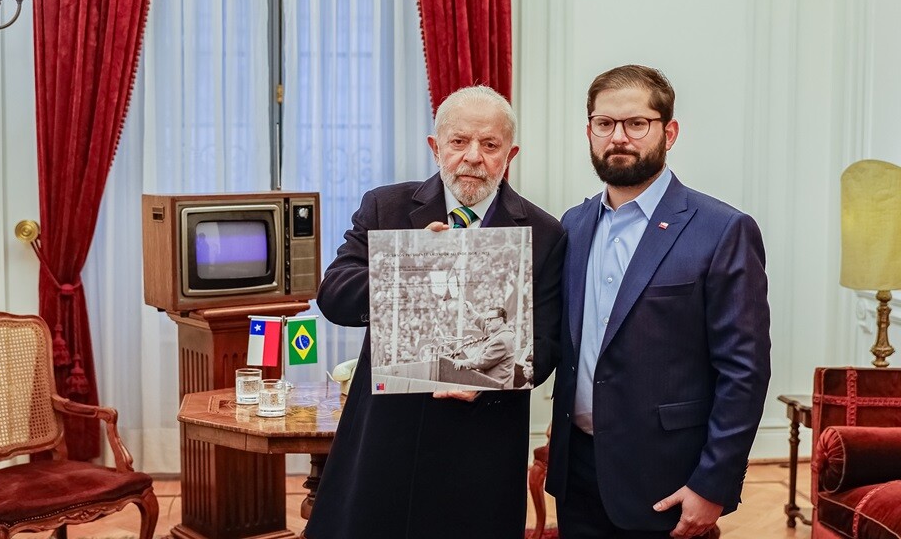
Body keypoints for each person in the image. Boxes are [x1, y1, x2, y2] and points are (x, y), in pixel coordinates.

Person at [305, 85, 566, 539]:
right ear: (435, 147)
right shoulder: (386, 206)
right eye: (459, 141)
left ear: (510, 153)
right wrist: (413, 270)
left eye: (490, 145)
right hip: (386, 435)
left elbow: (547, 343)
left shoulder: (544, 233)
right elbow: (335, 296)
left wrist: (485, 379)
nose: (473, 157)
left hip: (481, 442)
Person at [546, 65, 771, 539]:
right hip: (578, 475)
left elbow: (744, 371)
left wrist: (713, 484)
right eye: (604, 124)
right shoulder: (574, 225)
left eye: (636, 124)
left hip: (668, 478)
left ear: (669, 132)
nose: (618, 137)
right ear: (589, 131)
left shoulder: (722, 230)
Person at [451, 306, 516, 388]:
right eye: (486, 319)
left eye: (489, 319)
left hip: (496, 387)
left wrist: (464, 362)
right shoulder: (501, 333)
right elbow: (486, 327)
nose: (487, 322)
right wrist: (473, 313)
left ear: (500, 320)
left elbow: (483, 362)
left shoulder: (501, 340)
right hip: (494, 384)